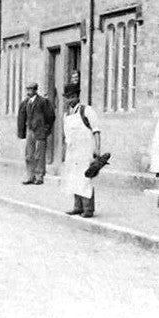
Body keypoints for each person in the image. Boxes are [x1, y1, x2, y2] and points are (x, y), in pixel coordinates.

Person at [61, 83, 100, 217]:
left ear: (77, 96)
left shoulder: (86, 111)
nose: (70, 100)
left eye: (72, 97)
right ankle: (77, 206)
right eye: (67, 97)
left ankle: (88, 209)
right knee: (73, 177)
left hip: (85, 150)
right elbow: (67, 136)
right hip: (72, 151)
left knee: (85, 178)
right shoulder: (66, 115)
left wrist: (97, 150)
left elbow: (96, 131)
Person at [17, 81, 55, 185]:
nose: (29, 92)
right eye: (28, 90)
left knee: (39, 155)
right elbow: (21, 117)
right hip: (30, 131)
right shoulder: (25, 103)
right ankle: (30, 176)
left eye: (31, 89)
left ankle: (39, 177)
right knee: (29, 155)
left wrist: (46, 129)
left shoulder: (43, 102)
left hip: (40, 131)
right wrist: (22, 132)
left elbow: (50, 116)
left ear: (35, 90)